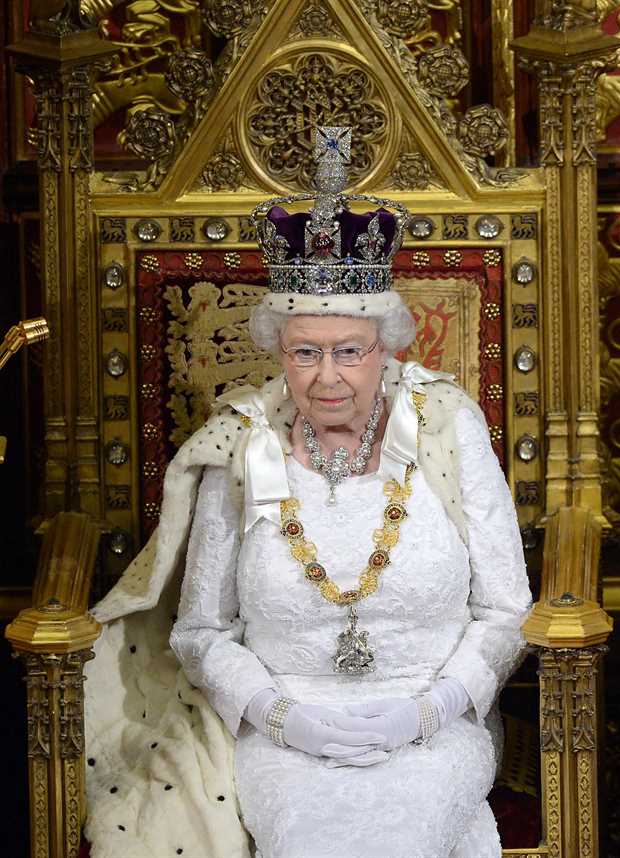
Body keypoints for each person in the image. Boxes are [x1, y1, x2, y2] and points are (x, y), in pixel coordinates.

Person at [83, 127, 531, 858]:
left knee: (408, 832)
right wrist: (281, 717)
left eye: (349, 351)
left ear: (387, 348)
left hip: (431, 729)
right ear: (279, 351)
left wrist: (429, 711)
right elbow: (201, 632)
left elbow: (508, 608)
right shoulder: (242, 445)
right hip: (285, 738)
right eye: (306, 352)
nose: (328, 376)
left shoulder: (448, 428)